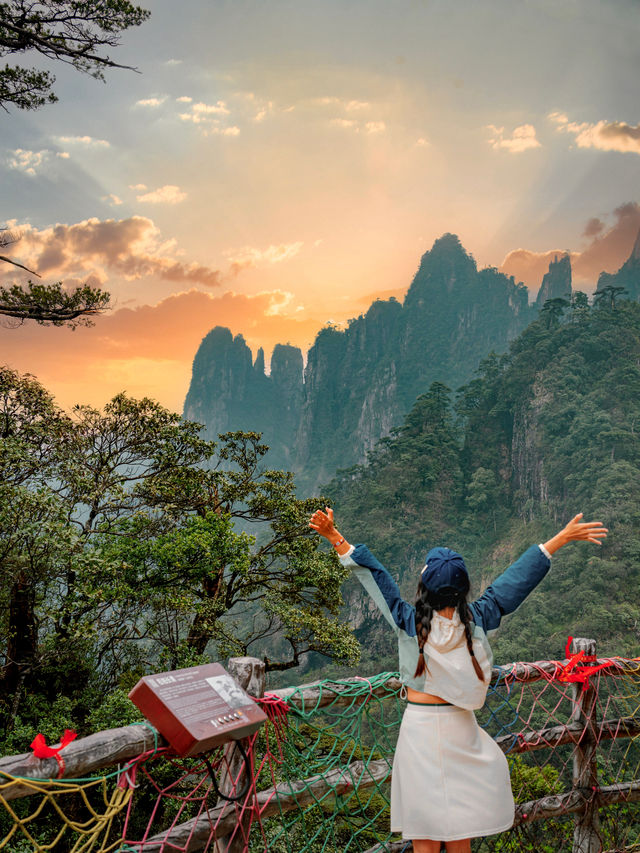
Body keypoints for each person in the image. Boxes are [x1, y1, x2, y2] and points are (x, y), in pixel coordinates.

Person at [309, 508, 607, 853]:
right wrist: (560, 539)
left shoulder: (409, 622)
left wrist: (334, 536)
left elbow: (376, 577)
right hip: (461, 730)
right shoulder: (477, 619)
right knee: (458, 832)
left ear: (424, 586)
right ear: (464, 588)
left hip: (420, 733)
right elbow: (515, 581)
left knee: (425, 836)